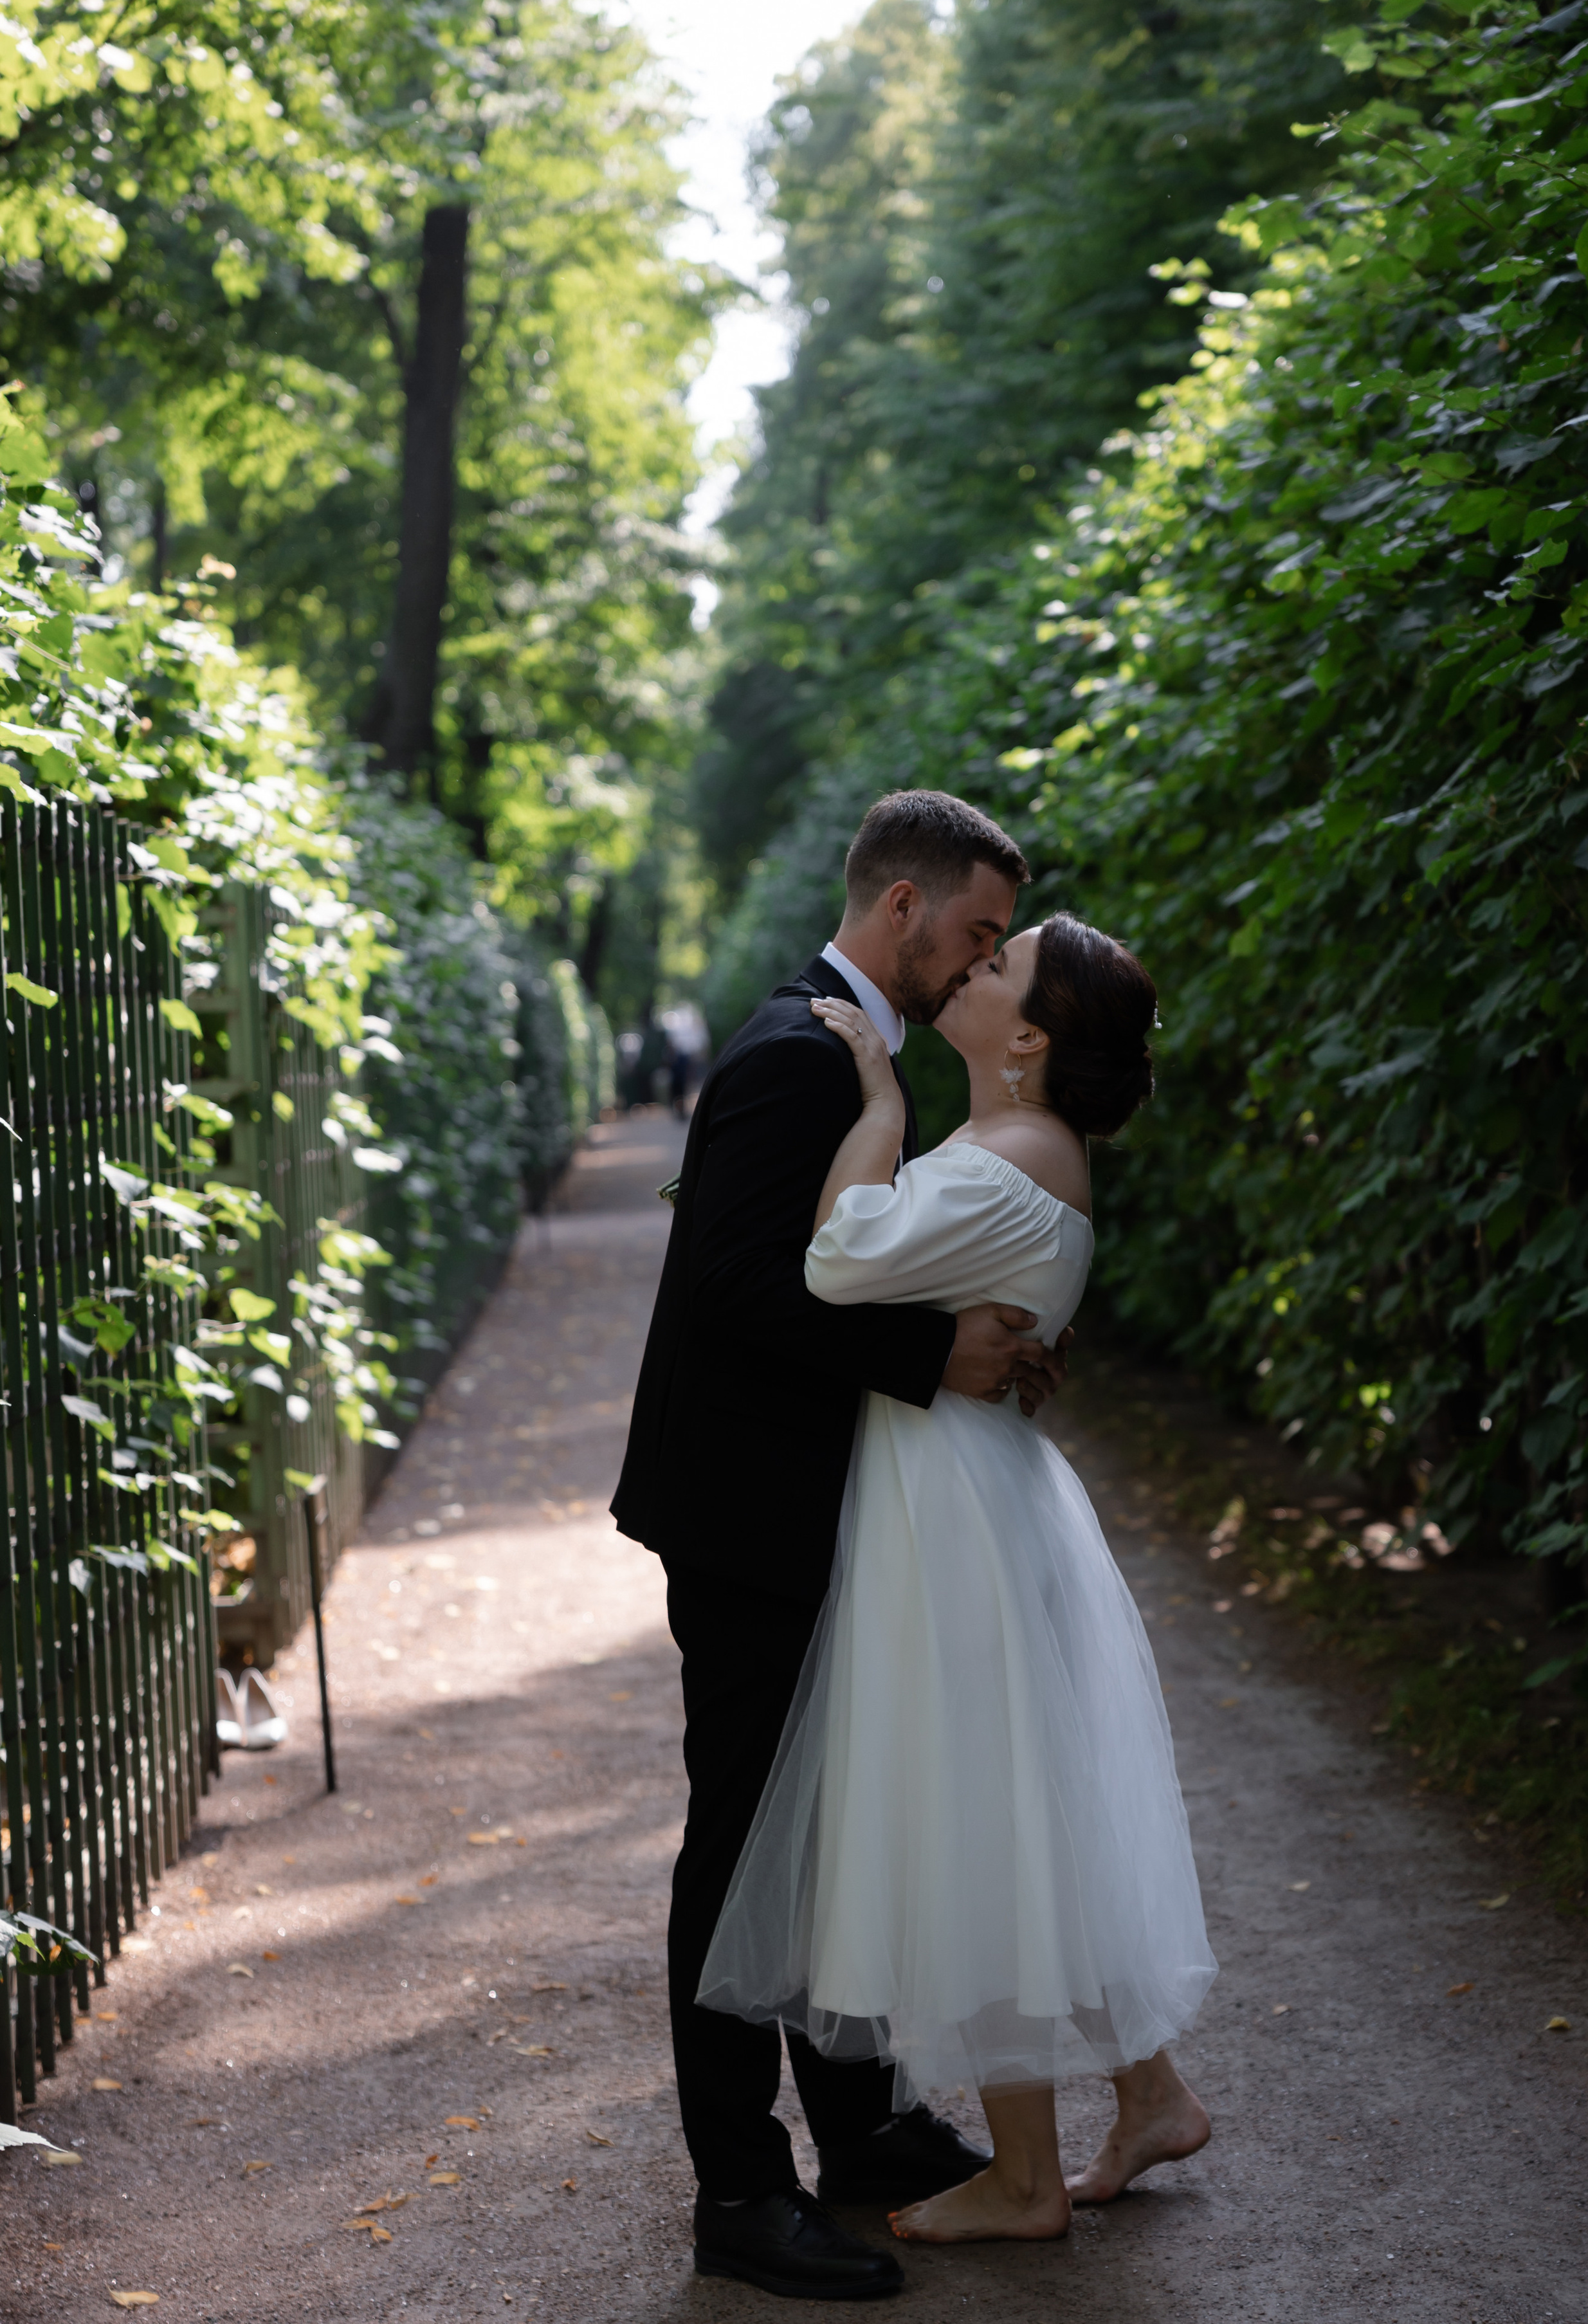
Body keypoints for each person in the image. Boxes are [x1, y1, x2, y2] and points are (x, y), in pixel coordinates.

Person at [698, 911, 1216, 2249]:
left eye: (999, 967)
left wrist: (874, 1099)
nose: (973, 971)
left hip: (953, 1519)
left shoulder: (999, 1159)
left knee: (983, 1825)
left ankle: (1026, 2180)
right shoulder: (1031, 1151)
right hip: (986, 1497)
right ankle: (1147, 2094)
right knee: (1032, 1817)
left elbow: (835, 1258)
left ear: (1029, 1035)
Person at [614, 791, 1071, 2300]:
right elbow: (743, 1285)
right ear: (901, 911)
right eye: (979, 930)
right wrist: (935, 1355)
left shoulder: (838, 1045)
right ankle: (738, 2192)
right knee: (744, 1850)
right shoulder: (799, 1054)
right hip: (749, 1518)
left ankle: (863, 2131)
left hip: (806, 1501)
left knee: (826, 1836)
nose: (983, 957)